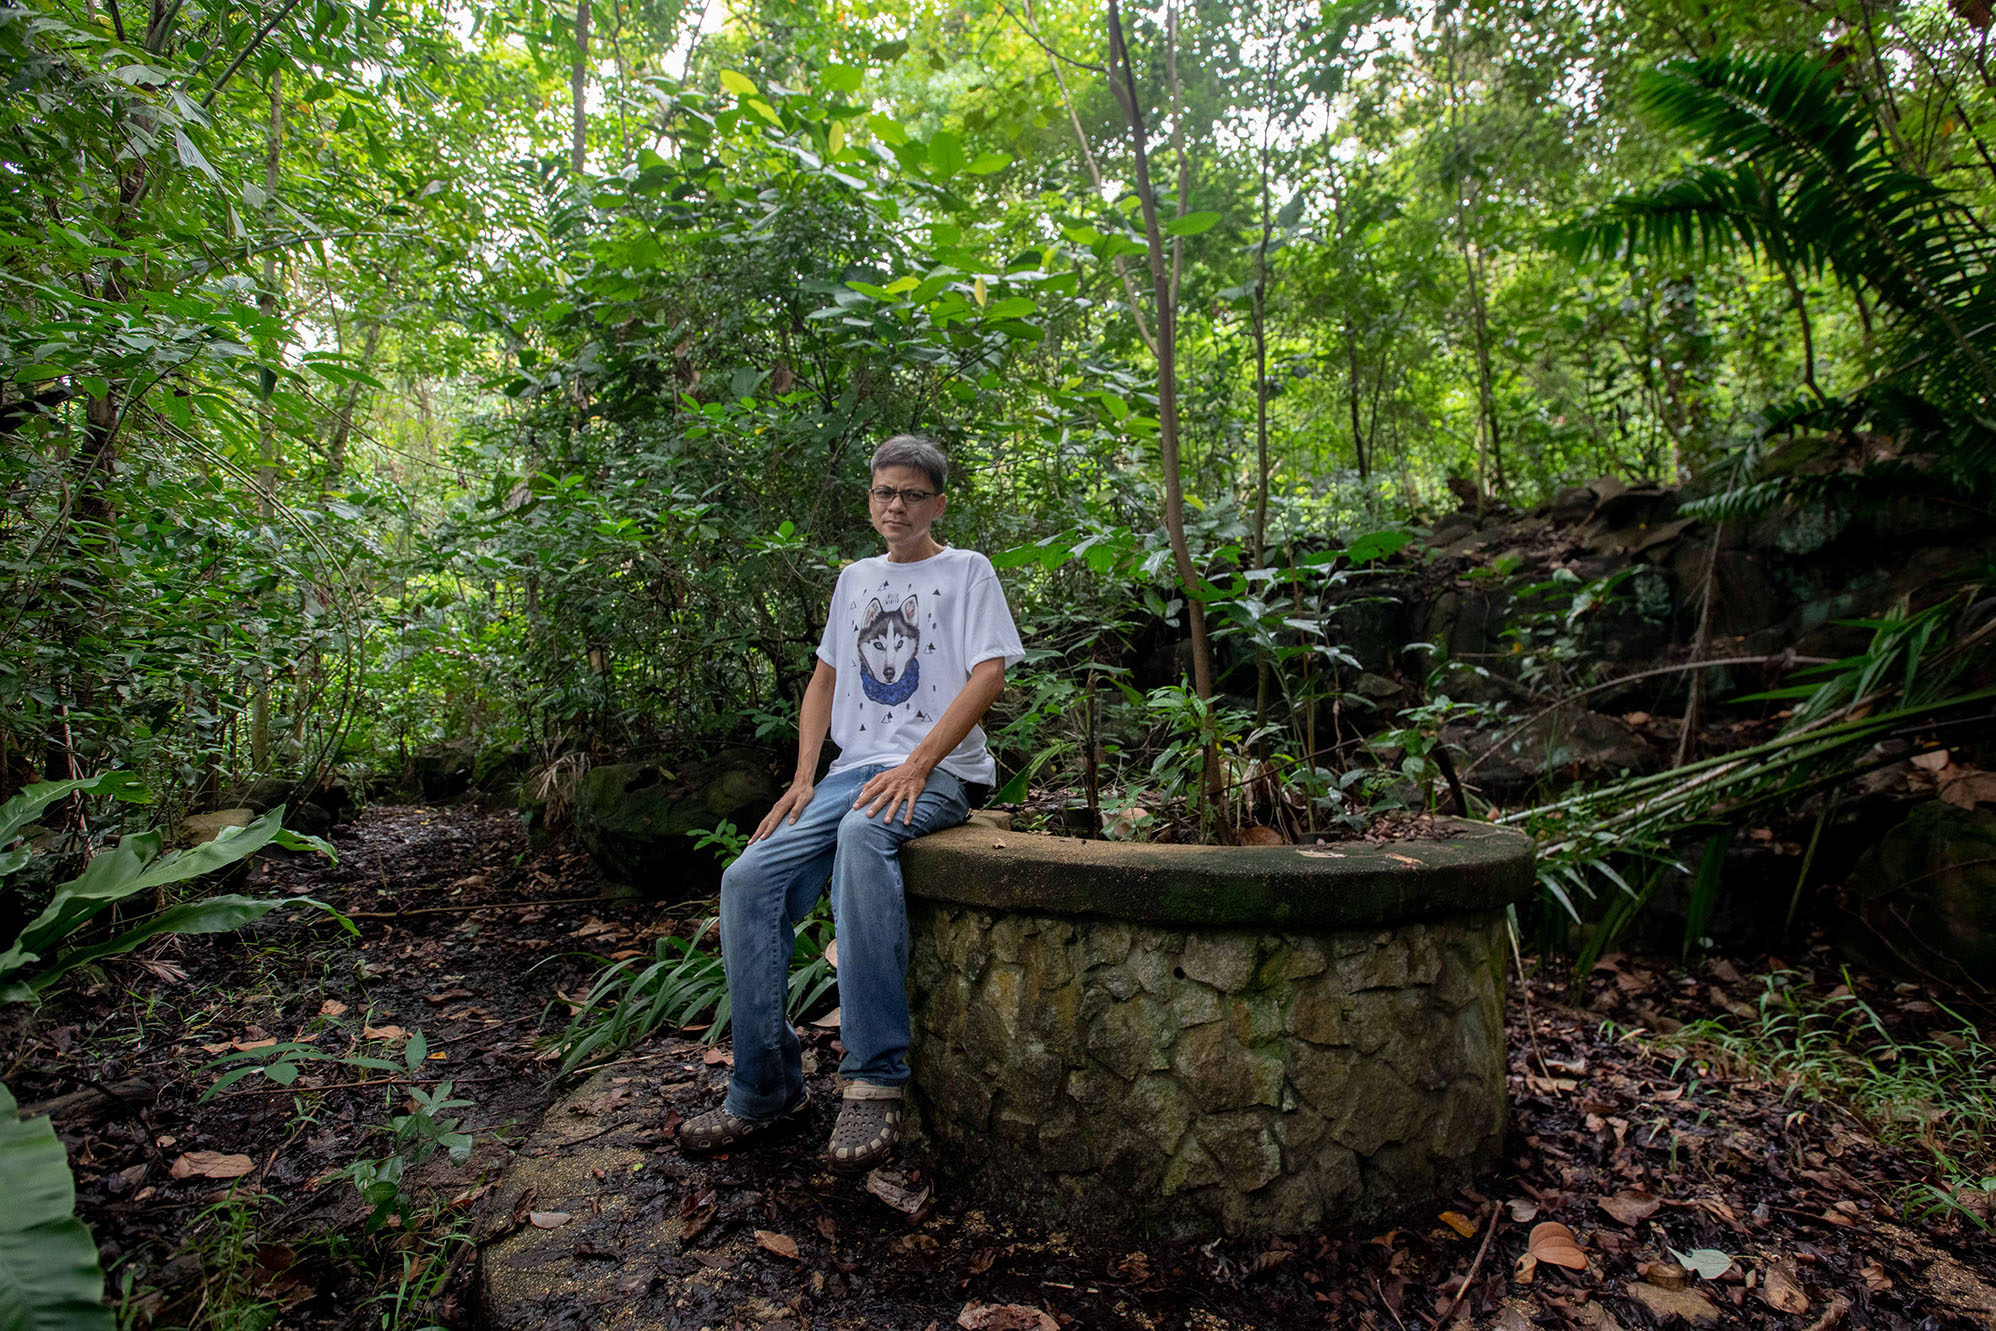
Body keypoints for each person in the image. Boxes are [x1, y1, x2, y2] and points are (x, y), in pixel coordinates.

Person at [677, 434, 1023, 1174]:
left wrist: (920, 764)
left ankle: (875, 1077)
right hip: (850, 771)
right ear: (869, 499)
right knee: (748, 878)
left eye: (911, 493)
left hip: (940, 771)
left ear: (938, 502)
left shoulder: (967, 571)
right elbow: (823, 683)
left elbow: (989, 674)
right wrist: (804, 777)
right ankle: (766, 1088)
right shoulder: (854, 578)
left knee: (867, 834)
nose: (895, 505)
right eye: (883, 492)